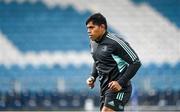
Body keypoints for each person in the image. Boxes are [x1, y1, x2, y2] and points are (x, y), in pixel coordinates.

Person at [85, 13, 141, 112]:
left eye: (92, 27)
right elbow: (97, 60)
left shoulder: (115, 42)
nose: (89, 31)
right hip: (104, 90)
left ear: (102, 27)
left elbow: (136, 62)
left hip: (120, 89)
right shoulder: (92, 43)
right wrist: (93, 76)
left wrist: (120, 83)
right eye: (87, 28)